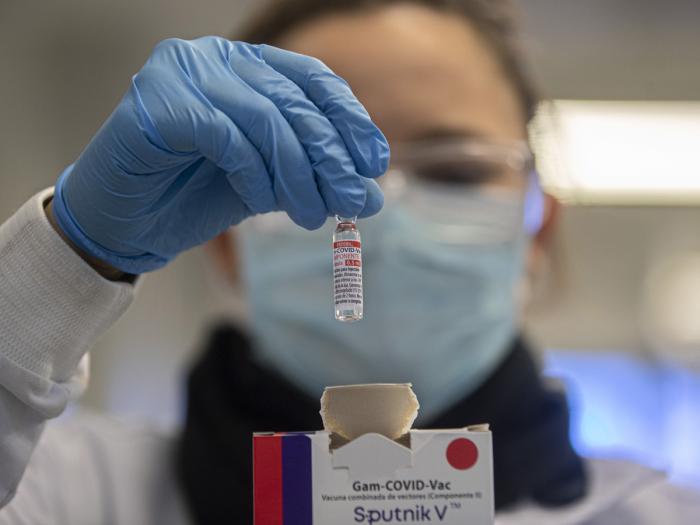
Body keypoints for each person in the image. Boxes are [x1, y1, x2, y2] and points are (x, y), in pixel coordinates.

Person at [0, 0, 697, 523]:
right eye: (301, 172)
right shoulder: (70, 492)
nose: (375, 213)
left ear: (536, 232)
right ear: (227, 242)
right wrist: (63, 259)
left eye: (453, 171)